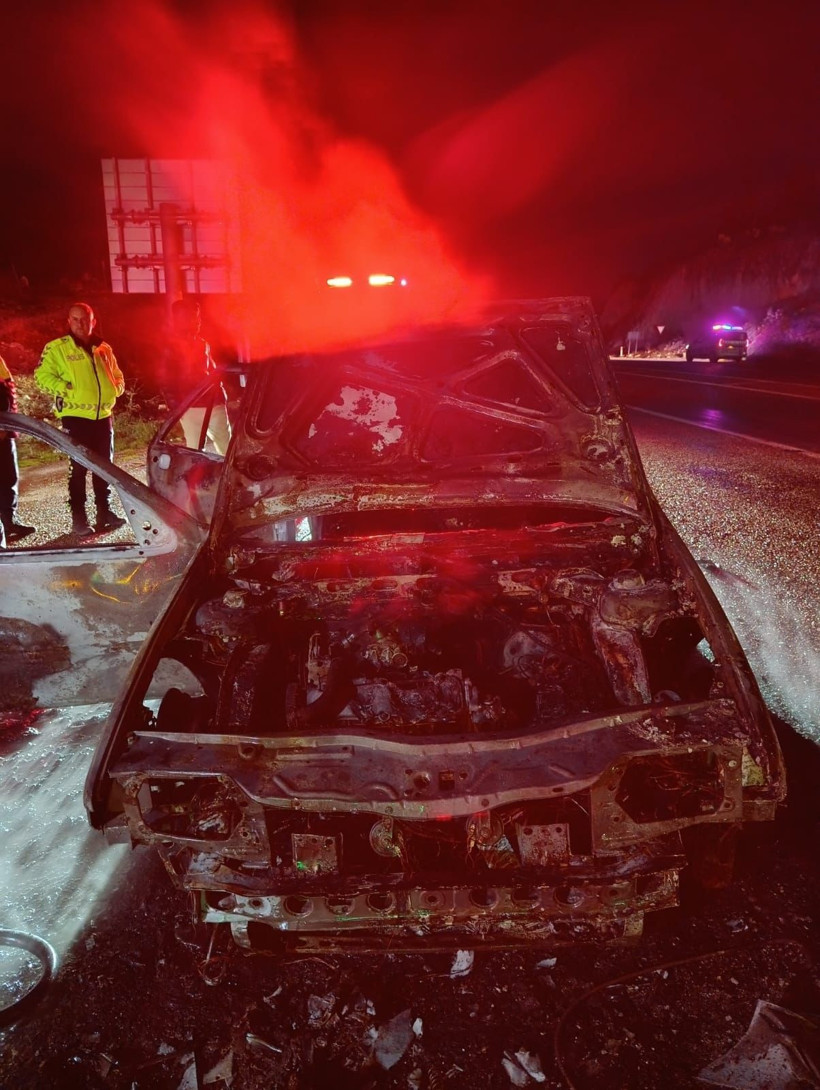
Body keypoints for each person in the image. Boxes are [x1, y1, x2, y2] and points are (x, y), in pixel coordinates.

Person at [35, 302, 126, 537]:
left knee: (104, 467)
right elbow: (41, 375)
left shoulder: (103, 348)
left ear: (93, 321)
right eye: (75, 319)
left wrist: (116, 388)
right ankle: (79, 518)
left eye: (85, 319)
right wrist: (64, 387)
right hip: (75, 418)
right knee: (78, 469)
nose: (80, 324)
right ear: (69, 321)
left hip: (103, 416)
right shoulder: (57, 348)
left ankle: (104, 512)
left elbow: (117, 375)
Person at [158, 298, 231, 454]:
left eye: (197, 317)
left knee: (227, 448)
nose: (197, 321)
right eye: (191, 317)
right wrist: (177, 407)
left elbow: (213, 372)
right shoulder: (170, 347)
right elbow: (166, 379)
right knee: (195, 452)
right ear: (179, 320)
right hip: (190, 406)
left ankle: (231, 471)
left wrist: (220, 393)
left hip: (213, 403)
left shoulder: (203, 343)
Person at [0, 356, 36, 546]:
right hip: (3, 425)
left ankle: (9, 521)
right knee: (6, 476)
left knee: (8, 476)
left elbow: (6, 387)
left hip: (6, 423)